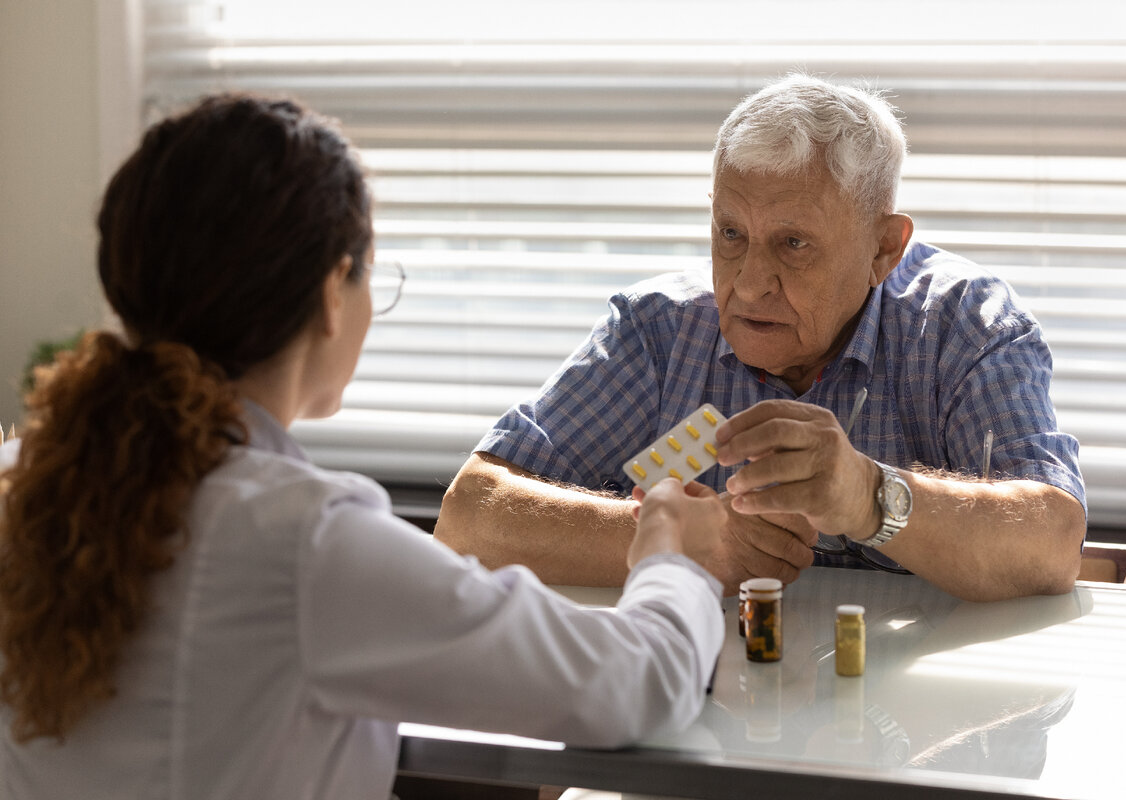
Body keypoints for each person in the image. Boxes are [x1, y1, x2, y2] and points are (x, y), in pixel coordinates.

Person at [0, 94, 726, 800]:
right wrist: (670, 552)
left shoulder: (21, 483)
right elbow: (637, 689)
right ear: (330, 295)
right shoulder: (303, 542)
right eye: (371, 274)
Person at [434, 73, 1087, 603]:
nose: (747, 286)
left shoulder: (965, 328)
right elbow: (469, 518)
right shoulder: (661, 329)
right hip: (705, 708)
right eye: (730, 234)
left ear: (884, 249)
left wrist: (867, 496)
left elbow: (1055, 542)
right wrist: (687, 545)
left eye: (793, 244)